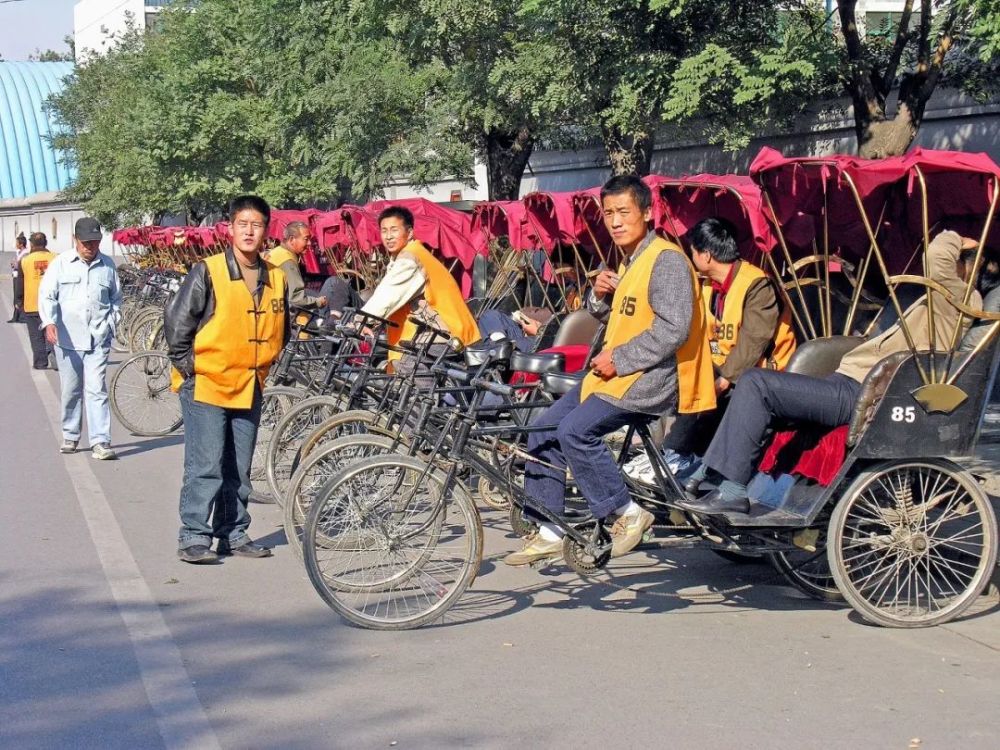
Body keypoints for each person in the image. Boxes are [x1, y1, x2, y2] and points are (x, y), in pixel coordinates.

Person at [682, 230, 981, 515]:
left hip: (862, 390)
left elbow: (936, 256)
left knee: (755, 382)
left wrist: (955, 238)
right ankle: (716, 474)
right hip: (847, 381)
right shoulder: (937, 300)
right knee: (759, 392)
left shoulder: (956, 300)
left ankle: (732, 491)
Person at [503, 175, 716, 566]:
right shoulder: (629, 259)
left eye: (624, 212)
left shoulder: (665, 259)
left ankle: (626, 513)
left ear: (647, 213)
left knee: (575, 431)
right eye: (609, 214)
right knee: (543, 427)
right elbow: (614, 316)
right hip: (615, 376)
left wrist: (619, 358)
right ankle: (550, 527)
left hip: (649, 379)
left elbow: (674, 328)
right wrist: (598, 296)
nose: (615, 221)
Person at [164, 195, 290, 564]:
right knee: (205, 465)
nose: (250, 231)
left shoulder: (276, 277)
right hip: (207, 383)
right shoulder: (210, 270)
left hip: (250, 384)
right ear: (230, 228)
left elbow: (281, 329)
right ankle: (193, 535)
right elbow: (177, 323)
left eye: (257, 225)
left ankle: (232, 532)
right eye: (243, 224)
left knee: (239, 467)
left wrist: (266, 363)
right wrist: (189, 368)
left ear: (266, 231)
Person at [625, 218, 796, 483]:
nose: (691, 258)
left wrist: (723, 379)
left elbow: (754, 342)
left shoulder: (757, 285)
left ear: (706, 255)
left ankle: (678, 453)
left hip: (762, 373)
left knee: (708, 389)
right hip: (718, 362)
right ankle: (659, 448)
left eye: (692, 252)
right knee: (671, 374)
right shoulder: (705, 284)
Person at [38, 218, 121, 459]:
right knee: (71, 390)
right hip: (68, 340)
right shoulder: (60, 264)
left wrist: (112, 322)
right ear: (75, 240)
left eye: (95, 242)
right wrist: (49, 322)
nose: (90, 247)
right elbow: (47, 296)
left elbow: (117, 299)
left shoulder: (108, 266)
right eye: (85, 243)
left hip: (98, 338)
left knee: (96, 390)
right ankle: (71, 435)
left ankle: (100, 441)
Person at [360, 206, 480, 360]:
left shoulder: (410, 258)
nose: (388, 236)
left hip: (443, 335)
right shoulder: (408, 255)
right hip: (439, 333)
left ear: (409, 233)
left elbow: (388, 295)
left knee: (405, 368)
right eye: (384, 231)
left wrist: (361, 320)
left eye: (394, 230)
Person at [15, 232, 57, 369]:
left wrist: (18, 300)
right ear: (45, 243)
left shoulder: (25, 260)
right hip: (53, 303)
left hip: (32, 303)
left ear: (31, 244)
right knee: (53, 331)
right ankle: (55, 356)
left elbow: (19, 283)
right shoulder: (55, 258)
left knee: (36, 335)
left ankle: (40, 362)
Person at [266, 221, 327, 311]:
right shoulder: (287, 260)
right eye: (306, 239)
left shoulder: (277, 251)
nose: (309, 243)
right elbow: (296, 299)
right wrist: (318, 302)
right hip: (279, 310)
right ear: (291, 240)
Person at [476, 306, 552, 352]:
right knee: (490, 315)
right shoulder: (493, 316)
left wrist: (538, 332)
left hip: (535, 344)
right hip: (510, 343)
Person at [8, 233, 28, 323]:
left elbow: (20, 264)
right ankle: (15, 316)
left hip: (20, 277)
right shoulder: (18, 252)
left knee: (19, 296)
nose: (15, 244)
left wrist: (15, 264)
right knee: (16, 297)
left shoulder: (25, 253)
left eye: (17, 243)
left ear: (21, 244)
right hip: (15, 275)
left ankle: (21, 317)